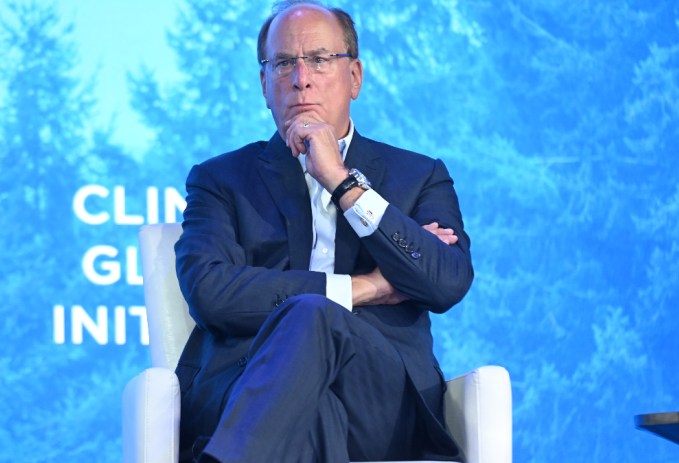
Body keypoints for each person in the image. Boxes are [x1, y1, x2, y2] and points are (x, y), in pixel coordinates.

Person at [174, 1, 473, 461]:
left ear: (354, 76)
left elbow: (446, 281)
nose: (301, 78)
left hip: (378, 397)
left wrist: (342, 181)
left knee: (313, 316)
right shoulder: (220, 180)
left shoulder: (418, 175)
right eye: (284, 63)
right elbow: (211, 292)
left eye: (318, 59)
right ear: (264, 84)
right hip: (252, 390)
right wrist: (363, 287)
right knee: (314, 405)